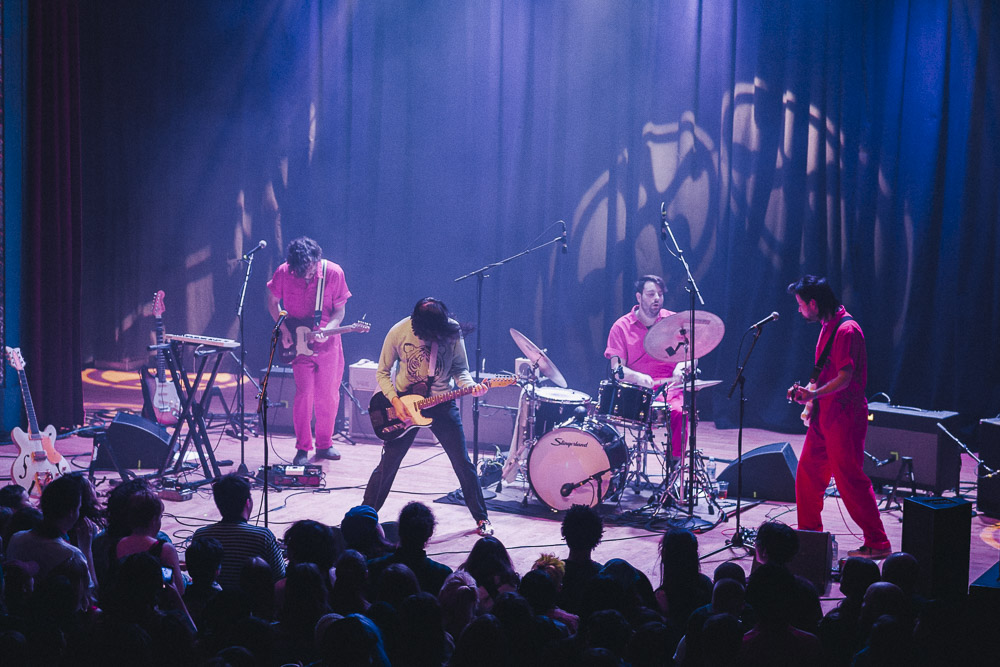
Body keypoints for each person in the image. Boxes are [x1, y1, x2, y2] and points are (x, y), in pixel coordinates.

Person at [362, 297, 493, 536]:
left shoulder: (451, 331)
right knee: (388, 464)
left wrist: (471, 386)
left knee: (463, 463)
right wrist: (395, 400)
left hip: (441, 404)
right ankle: (365, 516)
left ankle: (482, 519)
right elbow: (383, 372)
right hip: (405, 406)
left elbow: (460, 368)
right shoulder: (399, 332)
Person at [786, 276, 891, 559]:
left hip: (843, 418)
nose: (798, 310)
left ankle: (878, 542)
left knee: (850, 481)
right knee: (807, 476)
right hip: (825, 417)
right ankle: (809, 540)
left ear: (813, 303)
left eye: (800, 305)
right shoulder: (828, 326)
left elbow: (845, 378)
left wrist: (813, 395)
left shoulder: (847, 330)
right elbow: (825, 372)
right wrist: (807, 394)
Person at [267, 236, 352, 465]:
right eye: (299, 271)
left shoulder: (334, 273)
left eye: (309, 270)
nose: (304, 275)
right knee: (303, 395)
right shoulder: (284, 272)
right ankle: (302, 447)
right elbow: (272, 301)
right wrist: (283, 330)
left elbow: (340, 312)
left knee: (328, 396)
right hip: (298, 343)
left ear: (317, 260)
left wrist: (329, 328)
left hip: (328, 345)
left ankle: (324, 444)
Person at [605, 275, 689, 458]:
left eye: (660, 294)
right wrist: (637, 377)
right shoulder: (621, 327)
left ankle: (675, 466)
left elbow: (692, 353)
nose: (657, 298)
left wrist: (681, 367)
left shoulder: (674, 321)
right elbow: (617, 369)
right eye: (651, 294)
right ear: (639, 297)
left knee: (680, 413)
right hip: (635, 391)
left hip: (669, 389)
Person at [191, 473, 285, 590]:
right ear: (247, 502)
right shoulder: (263, 536)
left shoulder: (201, 536)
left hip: (211, 605)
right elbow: (280, 577)